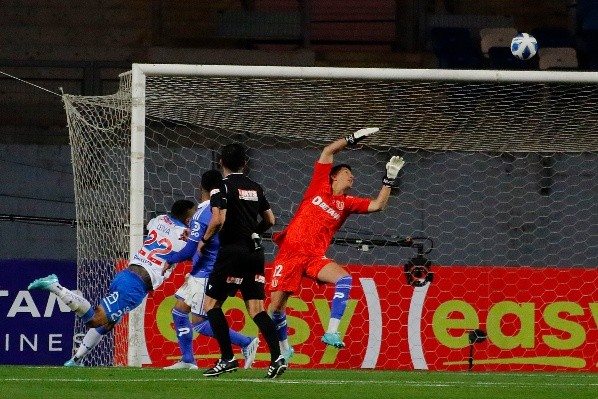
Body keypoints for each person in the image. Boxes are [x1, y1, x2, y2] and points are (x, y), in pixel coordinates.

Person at [268, 127, 405, 359]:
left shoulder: (348, 203)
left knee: (344, 279)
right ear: (333, 175)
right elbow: (328, 150)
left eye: (352, 175)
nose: (352, 177)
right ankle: (284, 350)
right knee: (275, 309)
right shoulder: (318, 186)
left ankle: (331, 331)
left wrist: (389, 178)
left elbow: (377, 205)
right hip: (290, 254)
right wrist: (354, 137)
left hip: (314, 257)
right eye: (346, 173)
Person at [27, 199, 197, 367]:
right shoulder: (186, 236)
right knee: (95, 320)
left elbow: (152, 225)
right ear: (188, 219)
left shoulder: (159, 220)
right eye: (194, 214)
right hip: (135, 286)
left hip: (126, 275)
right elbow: (194, 251)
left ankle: (76, 360)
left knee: (107, 324)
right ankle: (55, 286)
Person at [198, 143, 286, 378]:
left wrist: (204, 240)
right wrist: (254, 231)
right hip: (255, 252)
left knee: (211, 305)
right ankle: (277, 357)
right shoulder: (255, 187)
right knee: (256, 308)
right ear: (244, 164)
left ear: (220, 163)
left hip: (232, 252)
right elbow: (271, 219)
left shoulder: (221, 187)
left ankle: (227, 358)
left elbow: (218, 219)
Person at [161, 170, 259, 370]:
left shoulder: (202, 213)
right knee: (179, 312)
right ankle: (188, 360)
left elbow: (189, 251)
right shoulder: (224, 210)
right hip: (205, 270)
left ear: (201, 188)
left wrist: (170, 259)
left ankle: (246, 342)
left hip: (206, 273)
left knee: (199, 322)